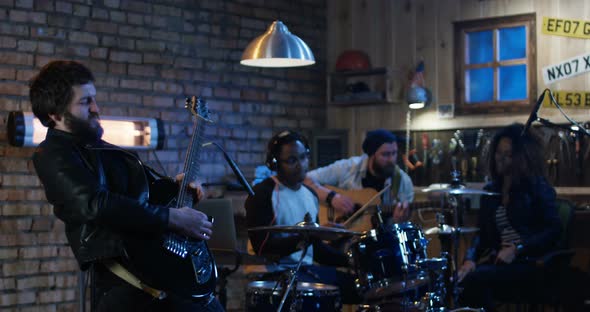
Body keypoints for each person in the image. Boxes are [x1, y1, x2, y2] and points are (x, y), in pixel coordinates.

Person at [30, 60, 223, 312]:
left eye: (94, 99)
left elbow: (139, 196)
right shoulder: (53, 154)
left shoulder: (102, 148)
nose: (96, 108)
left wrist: (175, 190)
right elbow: (97, 204)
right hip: (128, 287)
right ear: (55, 114)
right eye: (85, 102)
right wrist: (172, 217)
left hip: (157, 276)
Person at [245, 130, 360, 305]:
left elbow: (317, 251)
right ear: (275, 163)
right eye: (291, 160)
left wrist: (351, 260)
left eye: (303, 157)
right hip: (274, 274)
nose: (300, 165)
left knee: (362, 285)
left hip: (305, 270)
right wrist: (309, 235)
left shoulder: (310, 195)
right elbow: (262, 247)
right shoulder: (262, 193)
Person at [456, 123, 562, 311]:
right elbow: (481, 234)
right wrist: (469, 259)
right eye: (498, 152)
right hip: (500, 263)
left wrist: (518, 248)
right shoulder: (491, 191)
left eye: (508, 154)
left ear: (522, 158)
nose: (501, 159)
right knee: (461, 280)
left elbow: (553, 230)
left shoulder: (538, 187)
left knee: (477, 281)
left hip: (531, 263)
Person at [304, 129, 414, 227]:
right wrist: (332, 197)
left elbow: (402, 227)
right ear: (371, 154)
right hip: (343, 238)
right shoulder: (348, 168)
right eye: (385, 154)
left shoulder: (403, 181)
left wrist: (398, 221)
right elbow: (304, 179)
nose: (391, 159)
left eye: (394, 153)